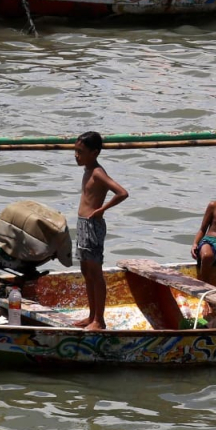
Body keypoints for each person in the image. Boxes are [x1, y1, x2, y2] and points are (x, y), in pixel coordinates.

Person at [73, 131, 129, 330]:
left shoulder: (97, 172)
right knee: (86, 271)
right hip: (82, 224)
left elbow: (122, 193)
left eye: (81, 152)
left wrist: (101, 210)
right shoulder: (87, 170)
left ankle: (99, 319)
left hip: (92, 226)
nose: (76, 155)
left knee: (95, 272)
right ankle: (91, 316)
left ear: (94, 153)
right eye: (75, 151)